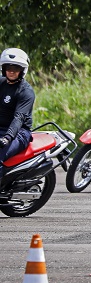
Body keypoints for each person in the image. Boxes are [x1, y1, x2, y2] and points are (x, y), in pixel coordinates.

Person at [0, 48, 34, 191]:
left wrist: (7, 138)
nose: (11, 71)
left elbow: (18, 118)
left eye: (16, 68)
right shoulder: (1, 84)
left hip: (18, 133)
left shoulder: (26, 91)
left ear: (22, 70)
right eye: (8, 67)